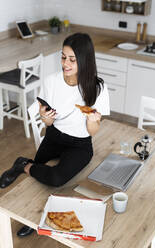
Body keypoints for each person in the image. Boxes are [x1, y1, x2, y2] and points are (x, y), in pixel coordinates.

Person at [0, 33, 110, 237]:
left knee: (57, 178)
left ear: (84, 61)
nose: (65, 64)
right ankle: (31, 217)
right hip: (54, 136)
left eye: (72, 59)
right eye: (63, 57)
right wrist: (45, 117)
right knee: (37, 178)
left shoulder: (97, 87)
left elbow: (92, 132)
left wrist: (91, 121)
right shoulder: (52, 81)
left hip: (80, 144)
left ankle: (24, 165)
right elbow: (48, 122)